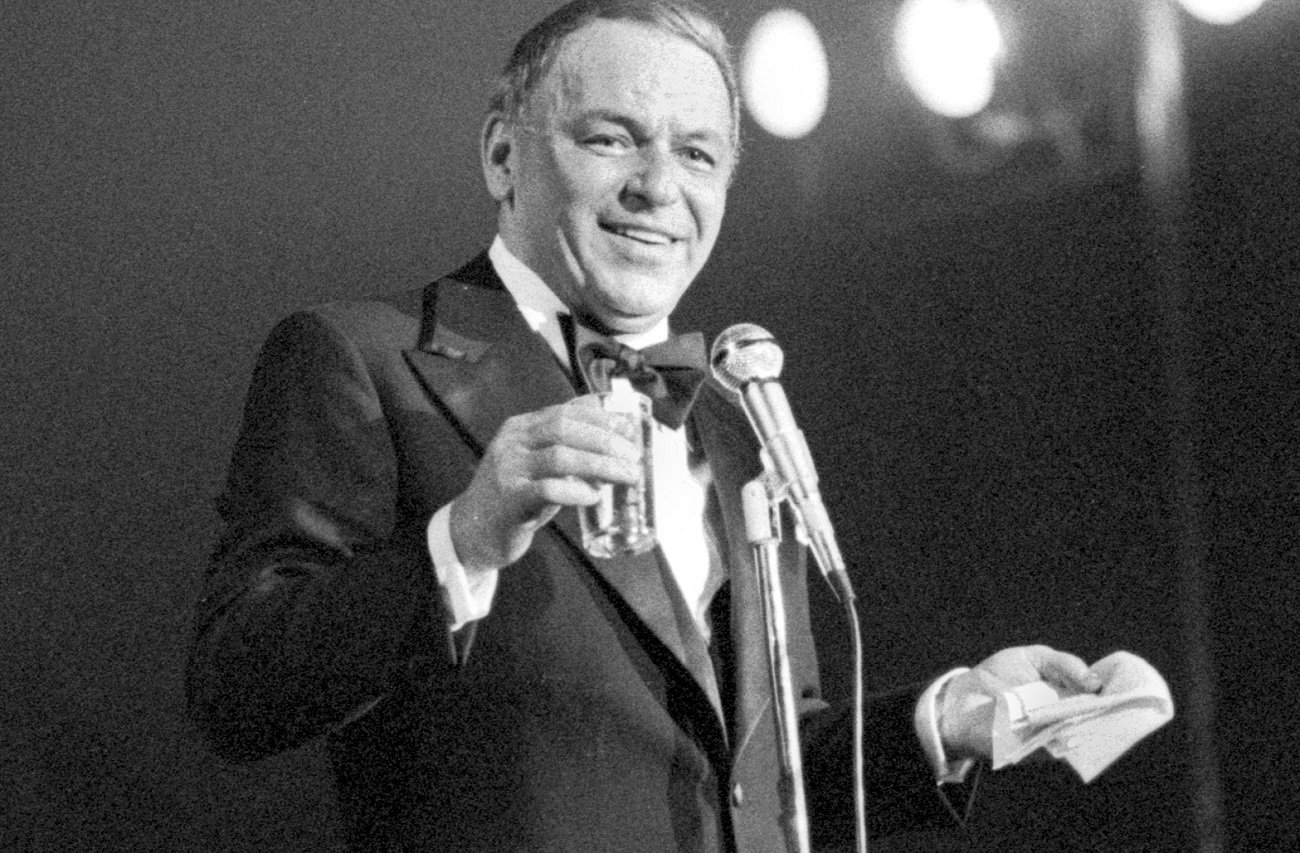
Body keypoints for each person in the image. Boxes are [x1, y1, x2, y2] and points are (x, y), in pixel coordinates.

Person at [187, 2, 1103, 851]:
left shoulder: (737, 421)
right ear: (503, 156)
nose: (658, 186)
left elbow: (757, 776)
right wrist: (461, 541)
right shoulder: (362, 359)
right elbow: (236, 688)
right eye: (610, 139)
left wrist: (943, 723)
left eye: (697, 154)